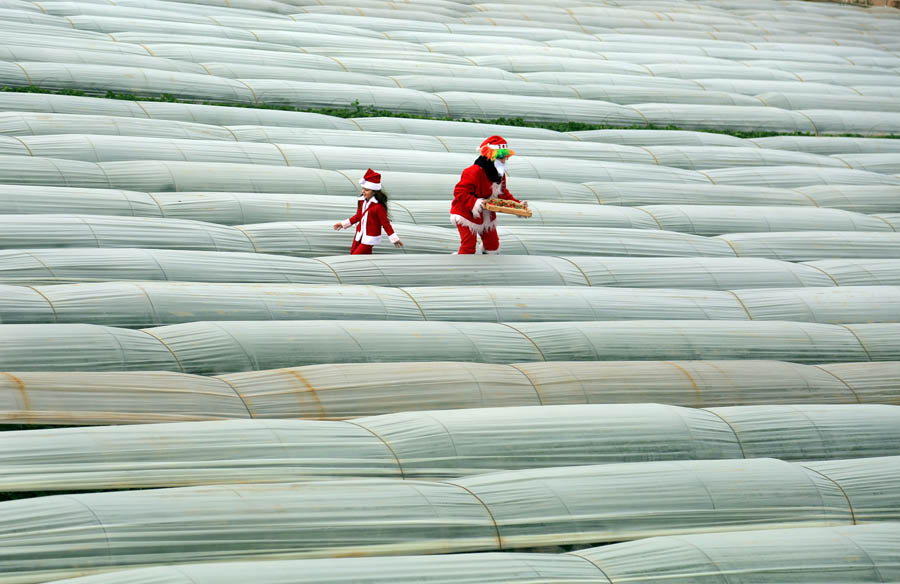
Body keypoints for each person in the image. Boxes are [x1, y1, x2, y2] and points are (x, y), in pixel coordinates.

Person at [450, 135, 527, 254]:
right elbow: (459, 192)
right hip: (466, 212)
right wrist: (476, 203)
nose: (504, 161)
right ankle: (461, 268)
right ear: (490, 156)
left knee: (493, 245)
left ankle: (488, 267)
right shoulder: (473, 171)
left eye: (505, 157)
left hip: (486, 213)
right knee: (468, 245)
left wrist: (517, 205)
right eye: (501, 157)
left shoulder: (500, 173)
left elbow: (502, 193)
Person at [333, 168, 403, 254]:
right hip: (360, 233)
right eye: (363, 189)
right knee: (355, 254)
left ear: (374, 192)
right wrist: (343, 223)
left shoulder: (378, 207)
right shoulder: (362, 201)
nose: (363, 192)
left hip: (370, 237)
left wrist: (394, 238)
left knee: (355, 256)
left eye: (367, 190)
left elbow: (385, 224)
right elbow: (358, 216)